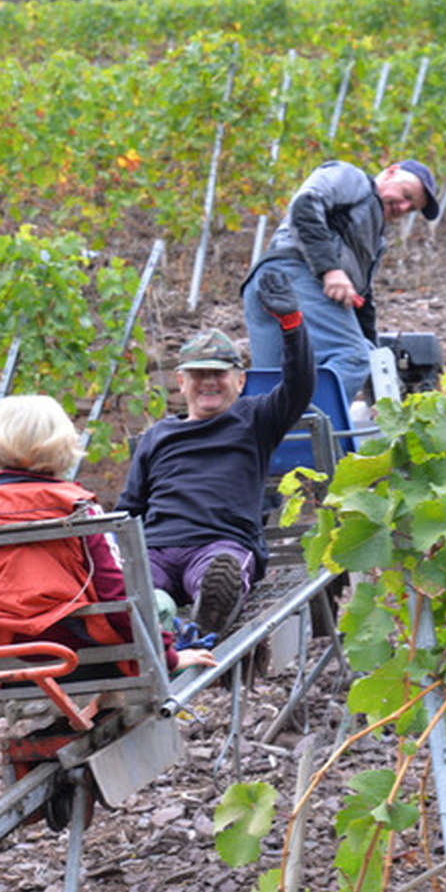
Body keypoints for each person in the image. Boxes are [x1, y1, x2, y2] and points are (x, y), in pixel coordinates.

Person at [0, 394, 216, 674]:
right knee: (160, 603)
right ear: (61, 443)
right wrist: (168, 656)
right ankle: (122, 704)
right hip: (75, 648)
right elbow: (116, 593)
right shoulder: (75, 508)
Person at [117, 271, 313, 635]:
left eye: (219, 373)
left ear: (240, 381)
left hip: (220, 542)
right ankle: (148, 611)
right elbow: (130, 508)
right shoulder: (157, 436)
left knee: (218, 571)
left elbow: (299, 386)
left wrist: (291, 325)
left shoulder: (255, 418)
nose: (208, 381)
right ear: (181, 382)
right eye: (198, 373)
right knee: (136, 584)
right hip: (157, 547)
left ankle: (212, 610)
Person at [240, 158, 440, 403]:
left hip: (266, 284)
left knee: (272, 382)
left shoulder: (375, 240)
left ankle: (269, 438)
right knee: (353, 358)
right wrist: (330, 269)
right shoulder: (351, 178)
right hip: (294, 274)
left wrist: (377, 368)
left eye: (410, 208)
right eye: (406, 194)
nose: (403, 206)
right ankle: (305, 433)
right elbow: (304, 206)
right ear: (390, 173)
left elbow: (362, 303)